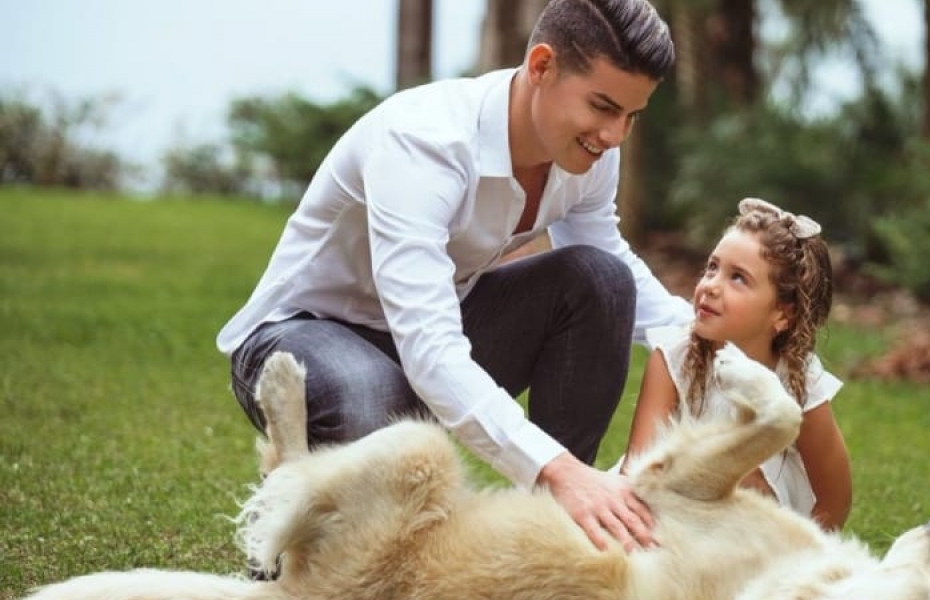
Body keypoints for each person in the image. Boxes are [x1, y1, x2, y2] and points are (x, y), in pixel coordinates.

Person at [216, 0, 692, 554]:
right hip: (302, 337)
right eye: (604, 107)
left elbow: (608, 262)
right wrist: (552, 468)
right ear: (541, 67)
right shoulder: (423, 143)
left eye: (632, 115)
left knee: (602, 281)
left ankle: (558, 540)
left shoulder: (588, 149)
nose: (615, 136)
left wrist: (718, 337)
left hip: (430, 330)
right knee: (371, 395)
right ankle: (289, 540)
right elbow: (430, 349)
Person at [616, 197, 853, 531]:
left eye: (738, 278)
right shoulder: (673, 356)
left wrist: (802, 559)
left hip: (753, 531)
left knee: (746, 467)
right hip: (671, 516)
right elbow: (638, 473)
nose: (711, 286)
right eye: (712, 268)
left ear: (782, 314)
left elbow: (834, 497)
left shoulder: (800, 381)